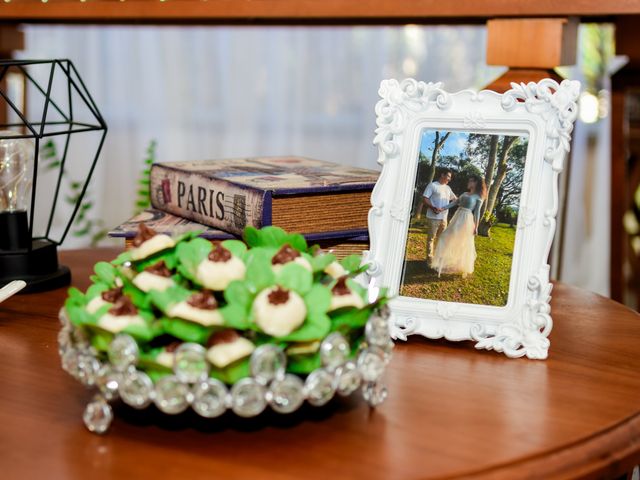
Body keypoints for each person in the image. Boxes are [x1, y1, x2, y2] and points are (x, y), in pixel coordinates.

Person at [431, 174, 487, 277]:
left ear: (475, 183)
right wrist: (443, 208)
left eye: (470, 181)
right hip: (457, 217)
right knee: (445, 236)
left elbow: (477, 213)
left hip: (466, 219)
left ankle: (461, 264)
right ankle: (442, 261)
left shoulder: (478, 197)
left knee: (463, 242)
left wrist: (476, 227)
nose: (468, 182)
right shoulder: (465, 193)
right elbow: (455, 202)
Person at [422, 169, 457, 265]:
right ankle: (429, 260)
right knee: (431, 238)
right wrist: (433, 207)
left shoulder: (448, 188)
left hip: (443, 218)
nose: (449, 179)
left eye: (450, 177)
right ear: (442, 175)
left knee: (441, 239)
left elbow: (455, 199)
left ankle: (437, 258)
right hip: (433, 217)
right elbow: (425, 198)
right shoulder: (433, 185)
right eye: (448, 176)